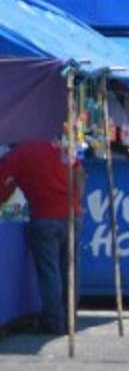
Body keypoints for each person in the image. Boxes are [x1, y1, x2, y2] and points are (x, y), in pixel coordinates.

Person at [0, 140, 84, 335]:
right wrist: (77, 200)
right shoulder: (58, 146)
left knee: (50, 272)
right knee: (71, 269)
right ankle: (70, 318)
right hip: (73, 214)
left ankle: (55, 321)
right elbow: (79, 172)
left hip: (45, 217)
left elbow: (4, 186)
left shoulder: (17, 155)